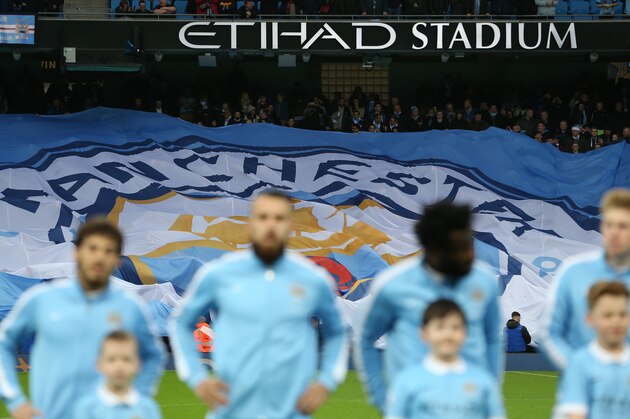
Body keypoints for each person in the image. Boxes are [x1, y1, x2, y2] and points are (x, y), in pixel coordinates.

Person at [170, 190, 348, 419]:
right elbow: (181, 323)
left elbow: (337, 331)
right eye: (263, 217)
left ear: (291, 226)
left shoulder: (313, 280)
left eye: (279, 218)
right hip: (231, 411)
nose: (271, 225)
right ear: (250, 224)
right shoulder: (219, 275)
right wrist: (196, 376)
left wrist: (327, 380)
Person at [0, 219, 165, 419]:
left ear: (117, 260)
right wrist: (16, 401)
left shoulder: (130, 308)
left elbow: (153, 354)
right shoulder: (41, 300)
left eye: (108, 251)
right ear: (77, 253)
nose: (99, 258)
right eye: (92, 248)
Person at [355, 202, 503, 410]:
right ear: (432, 246)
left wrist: (490, 389)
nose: (470, 254)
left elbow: (492, 338)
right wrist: (380, 396)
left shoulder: (483, 281)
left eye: (468, 243)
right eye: (459, 247)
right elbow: (366, 339)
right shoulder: (394, 285)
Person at [541, 189, 630, 370]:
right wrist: (577, 369)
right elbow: (549, 333)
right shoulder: (573, 272)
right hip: (582, 394)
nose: (614, 232)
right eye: (609, 224)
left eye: (622, 226)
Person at [385, 300, 505, 419]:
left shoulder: (484, 381)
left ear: (465, 332)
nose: (448, 334)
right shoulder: (405, 381)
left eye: (455, 327)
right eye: (440, 327)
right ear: (424, 333)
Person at [554, 281, 630, 419]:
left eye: (623, 314)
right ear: (590, 319)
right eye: (608, 315)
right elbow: (575, 414)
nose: (616, 321)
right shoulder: (579, 364)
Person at [73, 331, 163, 419]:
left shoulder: (148, 408)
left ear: (137, 364)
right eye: (111, 359)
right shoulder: (86, 408)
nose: (119, 367)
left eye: (126, 359)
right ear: (99, 364)